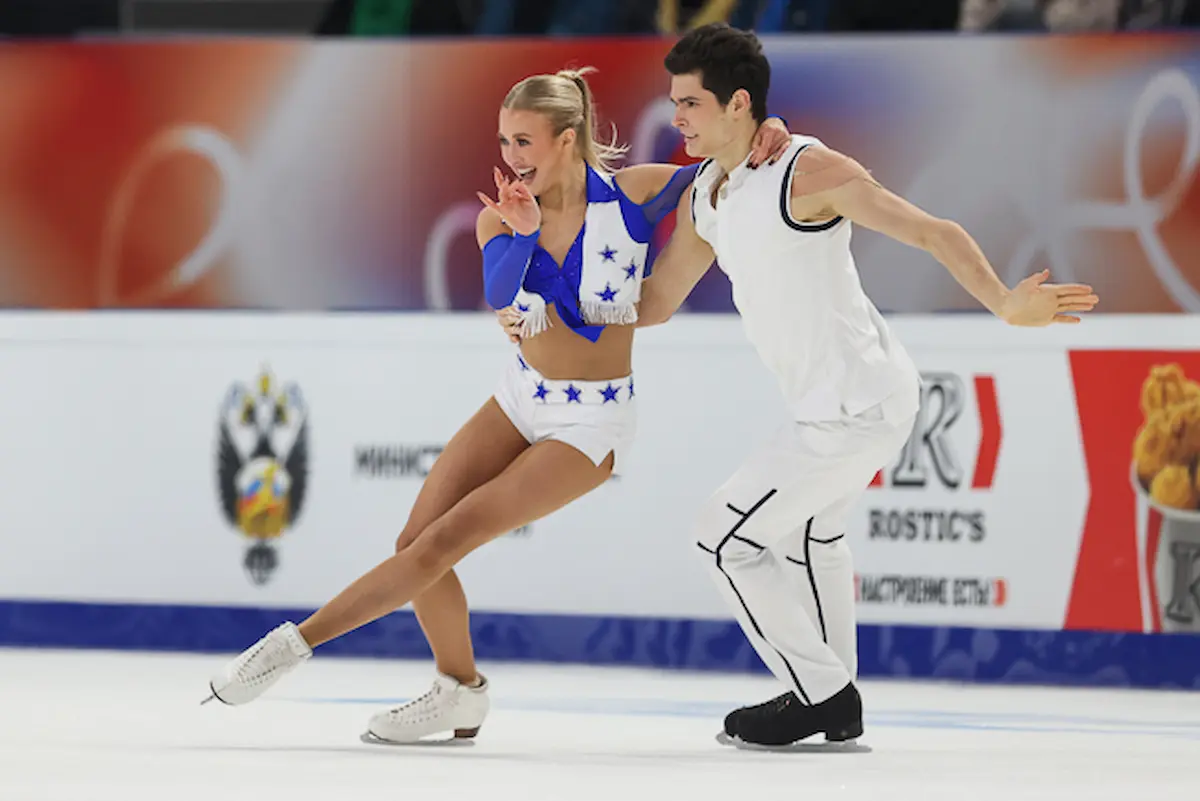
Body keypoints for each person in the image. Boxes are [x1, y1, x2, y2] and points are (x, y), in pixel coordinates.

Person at [201, 65, 795, 744]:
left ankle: (292, 646)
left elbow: (732, 162)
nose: (511, 158)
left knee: (445, 541)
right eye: (505, 141)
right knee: (414, 542)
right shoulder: (500, 215)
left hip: (590, 420)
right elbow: (498, 291)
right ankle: (460, 690)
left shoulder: (639, 195)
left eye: (524, 142)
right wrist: (520, 233)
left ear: (567, 139)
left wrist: (771, 128)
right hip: (520, 397)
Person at [564, 23, 1095, 748]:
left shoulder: (805, 171)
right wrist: (573, 313)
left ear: (739, 102)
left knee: (721, 538)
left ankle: (820, 692)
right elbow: (656, 302)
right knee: (815, 539)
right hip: (843, 403)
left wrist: (1005, 301)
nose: (676, 117)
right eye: (674, 101)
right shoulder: (709, 195)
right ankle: (835, 699)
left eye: (689, 103)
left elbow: (930, 230)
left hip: (858, 406)